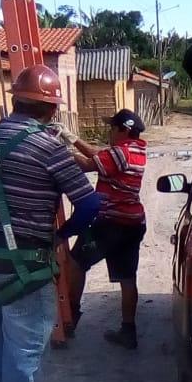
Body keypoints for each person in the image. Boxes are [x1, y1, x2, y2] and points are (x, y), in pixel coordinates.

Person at [0, 65, 101, 382]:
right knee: (24, 350)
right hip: (26, 265)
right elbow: (90, 205)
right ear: (51, 109)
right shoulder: (48, 147)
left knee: (3, 345)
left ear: (16, 99)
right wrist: (61, 234)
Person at [59, 109, 148, 351]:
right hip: (133, 223)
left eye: (112, 128)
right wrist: (72, 138)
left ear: (123, 130)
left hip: (112, 223)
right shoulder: (137, 149)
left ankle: (71, 318)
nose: (109, 132)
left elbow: (90, 164)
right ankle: (128, 331)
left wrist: (61, 150)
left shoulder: (121, 152)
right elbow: (100, 156)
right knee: (128, 277)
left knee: (76, 262)